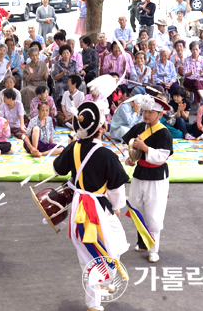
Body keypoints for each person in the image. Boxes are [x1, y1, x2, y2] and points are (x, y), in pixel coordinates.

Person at [52, 101, 130, 311]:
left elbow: (57, 167)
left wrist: (71, 147)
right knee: (110, 245)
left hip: (79, 206)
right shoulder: (107, 155)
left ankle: (102, 287)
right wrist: (116, 206)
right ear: (100, 129)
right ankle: (99, 292)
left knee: (89, 252)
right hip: (99, 207)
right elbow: (116, 188)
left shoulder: (74, 148)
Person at [122, 94, 173, 263]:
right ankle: (142, 242)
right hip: (139, 173)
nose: (146, 114)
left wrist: (145, 148)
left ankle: (154, 249)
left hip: (156, 177)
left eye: (151, 112)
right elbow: (127, 147)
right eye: (145, 111)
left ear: (159, 115)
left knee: (154, 212)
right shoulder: (138, 128)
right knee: (136, 207)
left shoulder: (164, 134)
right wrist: (128, 158)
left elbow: (161, 157)